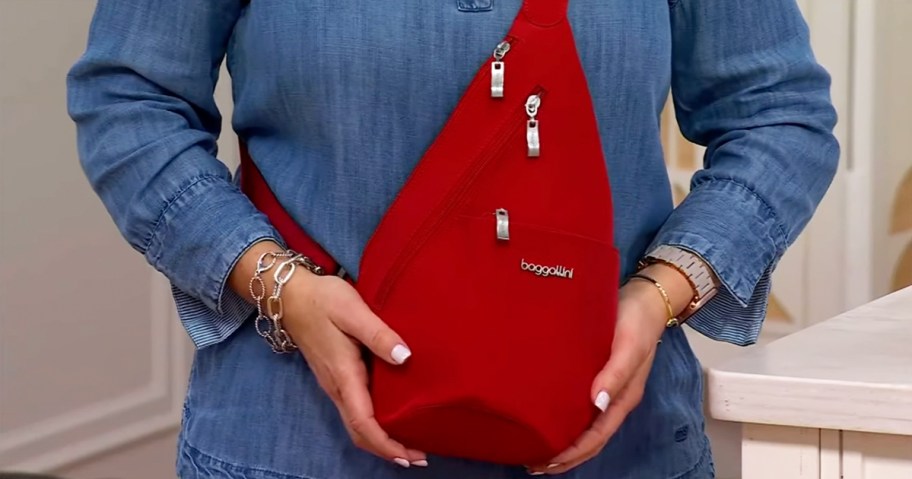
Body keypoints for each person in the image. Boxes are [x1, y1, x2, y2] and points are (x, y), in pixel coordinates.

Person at [66, 0, 839, 478]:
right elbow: (130, 98)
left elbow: (778, 113)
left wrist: (664, 289)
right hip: (292, 443)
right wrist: (278, 283)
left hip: (621, 448)